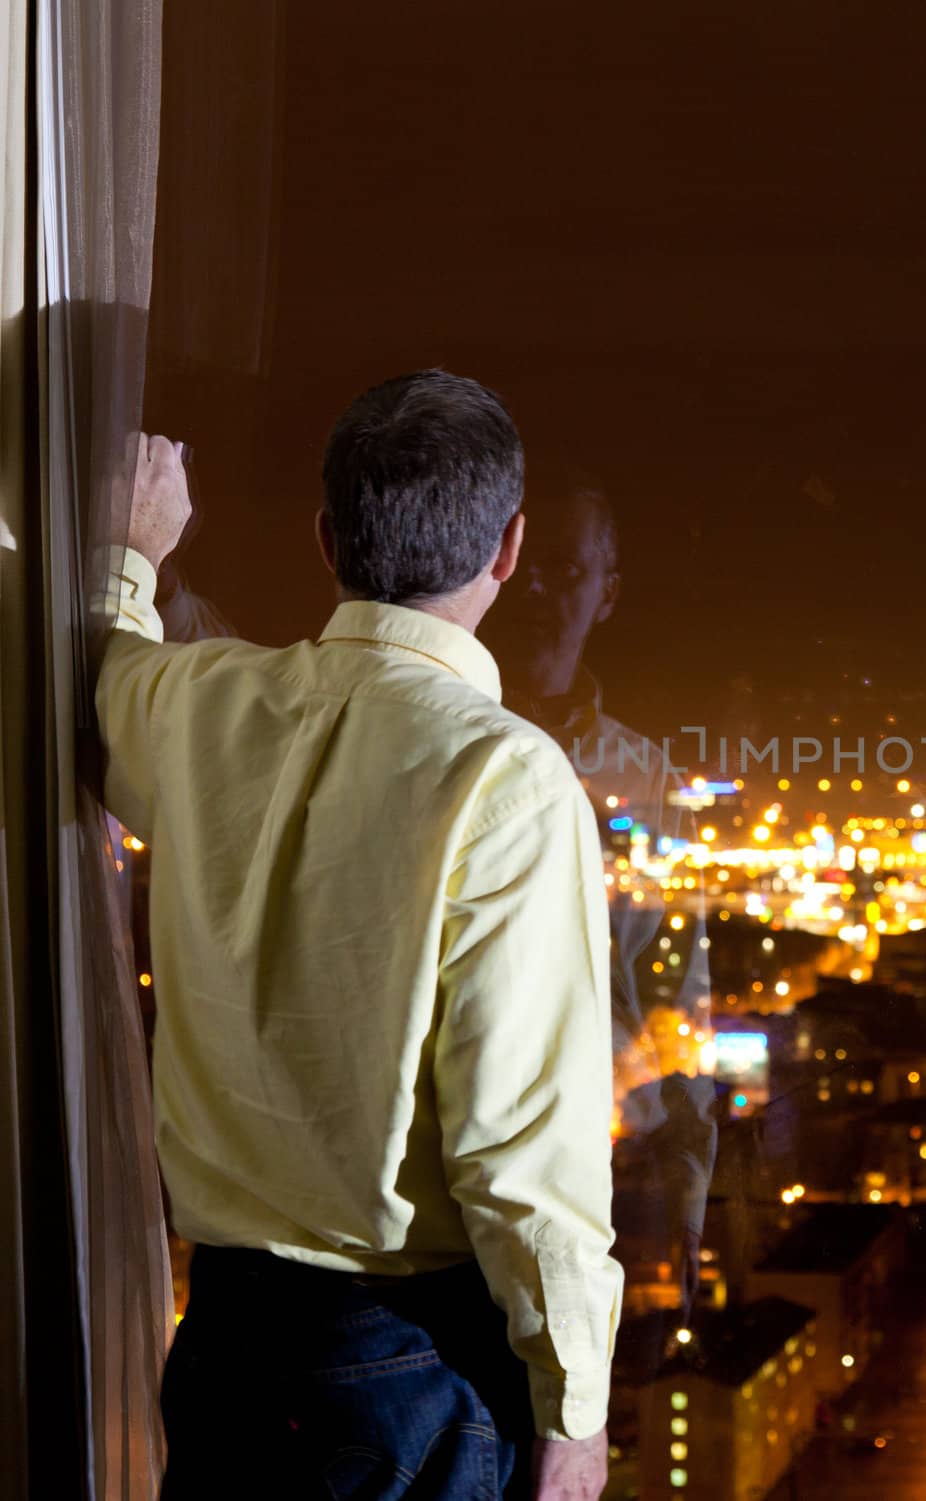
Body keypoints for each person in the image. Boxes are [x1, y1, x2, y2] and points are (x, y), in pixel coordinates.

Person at [95, 371, 622, 1500]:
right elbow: (524, 1144)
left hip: (226, 1340)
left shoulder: (200, 708)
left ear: (328, 536)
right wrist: (572, 1410)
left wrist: (130, 546)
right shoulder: (506, 776)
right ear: (511, 549)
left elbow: (98, 666)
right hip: (410, 1366)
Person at [491, 478, 717, 1336]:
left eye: (566, 566)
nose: (538, 586)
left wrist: (685, 1195)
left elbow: (678, 986)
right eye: (524, 563)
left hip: (610, 1162)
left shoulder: (645, 774)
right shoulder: (439, 730)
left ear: (607, 592)